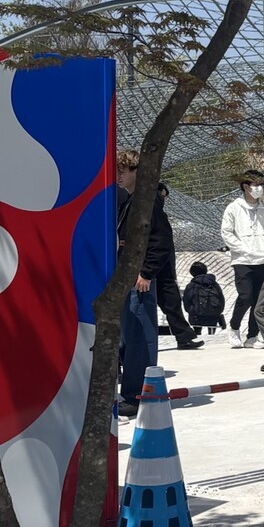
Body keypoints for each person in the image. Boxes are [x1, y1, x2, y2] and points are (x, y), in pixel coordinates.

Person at [115, 148, 175, 417]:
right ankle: (133, 392)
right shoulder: (131, 201)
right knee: (129, 338)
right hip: (129, 275)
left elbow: (161, 241)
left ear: (136, 172)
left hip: (138, 278)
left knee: (139, 339)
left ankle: (136, 395)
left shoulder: (146, 202)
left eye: (123, 170)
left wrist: (147, 273)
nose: (118, 176)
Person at [152, 182, 203, 349]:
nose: (164, 200)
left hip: (161, 268)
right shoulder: (155, 211)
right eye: (163, 196)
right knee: (170, 303)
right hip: (158, 268)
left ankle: (184, 336)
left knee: (171, 303)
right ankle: (183, 336)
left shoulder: (157, 211)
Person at [221, 170, 264, 348]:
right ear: (246, 187)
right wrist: (242, 249)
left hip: (263, 259)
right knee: (246, 296)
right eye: (256, 185)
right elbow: (226, 232)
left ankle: (253, 335)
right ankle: (234, 327)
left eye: (261, 184)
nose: (259, 188)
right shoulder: (234, 207)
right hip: (243, 260)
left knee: (259, 300)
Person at [183, 260, 228, 335]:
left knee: (196, 322)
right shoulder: (214, 284)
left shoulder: (191, 286)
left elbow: (186, 302)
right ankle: (212, 332)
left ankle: (197, 332)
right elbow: (221, 299)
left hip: (196, 317)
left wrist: (191, 311)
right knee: (211, 322)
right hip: (213, 316)